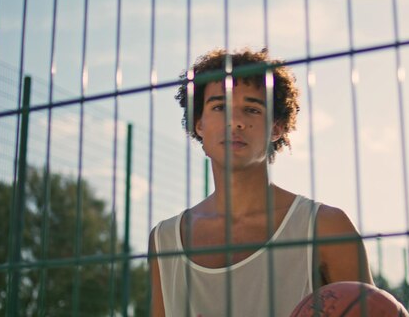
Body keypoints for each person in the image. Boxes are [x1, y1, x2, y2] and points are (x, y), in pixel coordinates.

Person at [148, 48, 373, 317]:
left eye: (252, 109)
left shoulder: (325, 227)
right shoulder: (164, 240)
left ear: (276, 128)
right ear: (199, 125)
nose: (235, 121)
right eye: (219, 107)